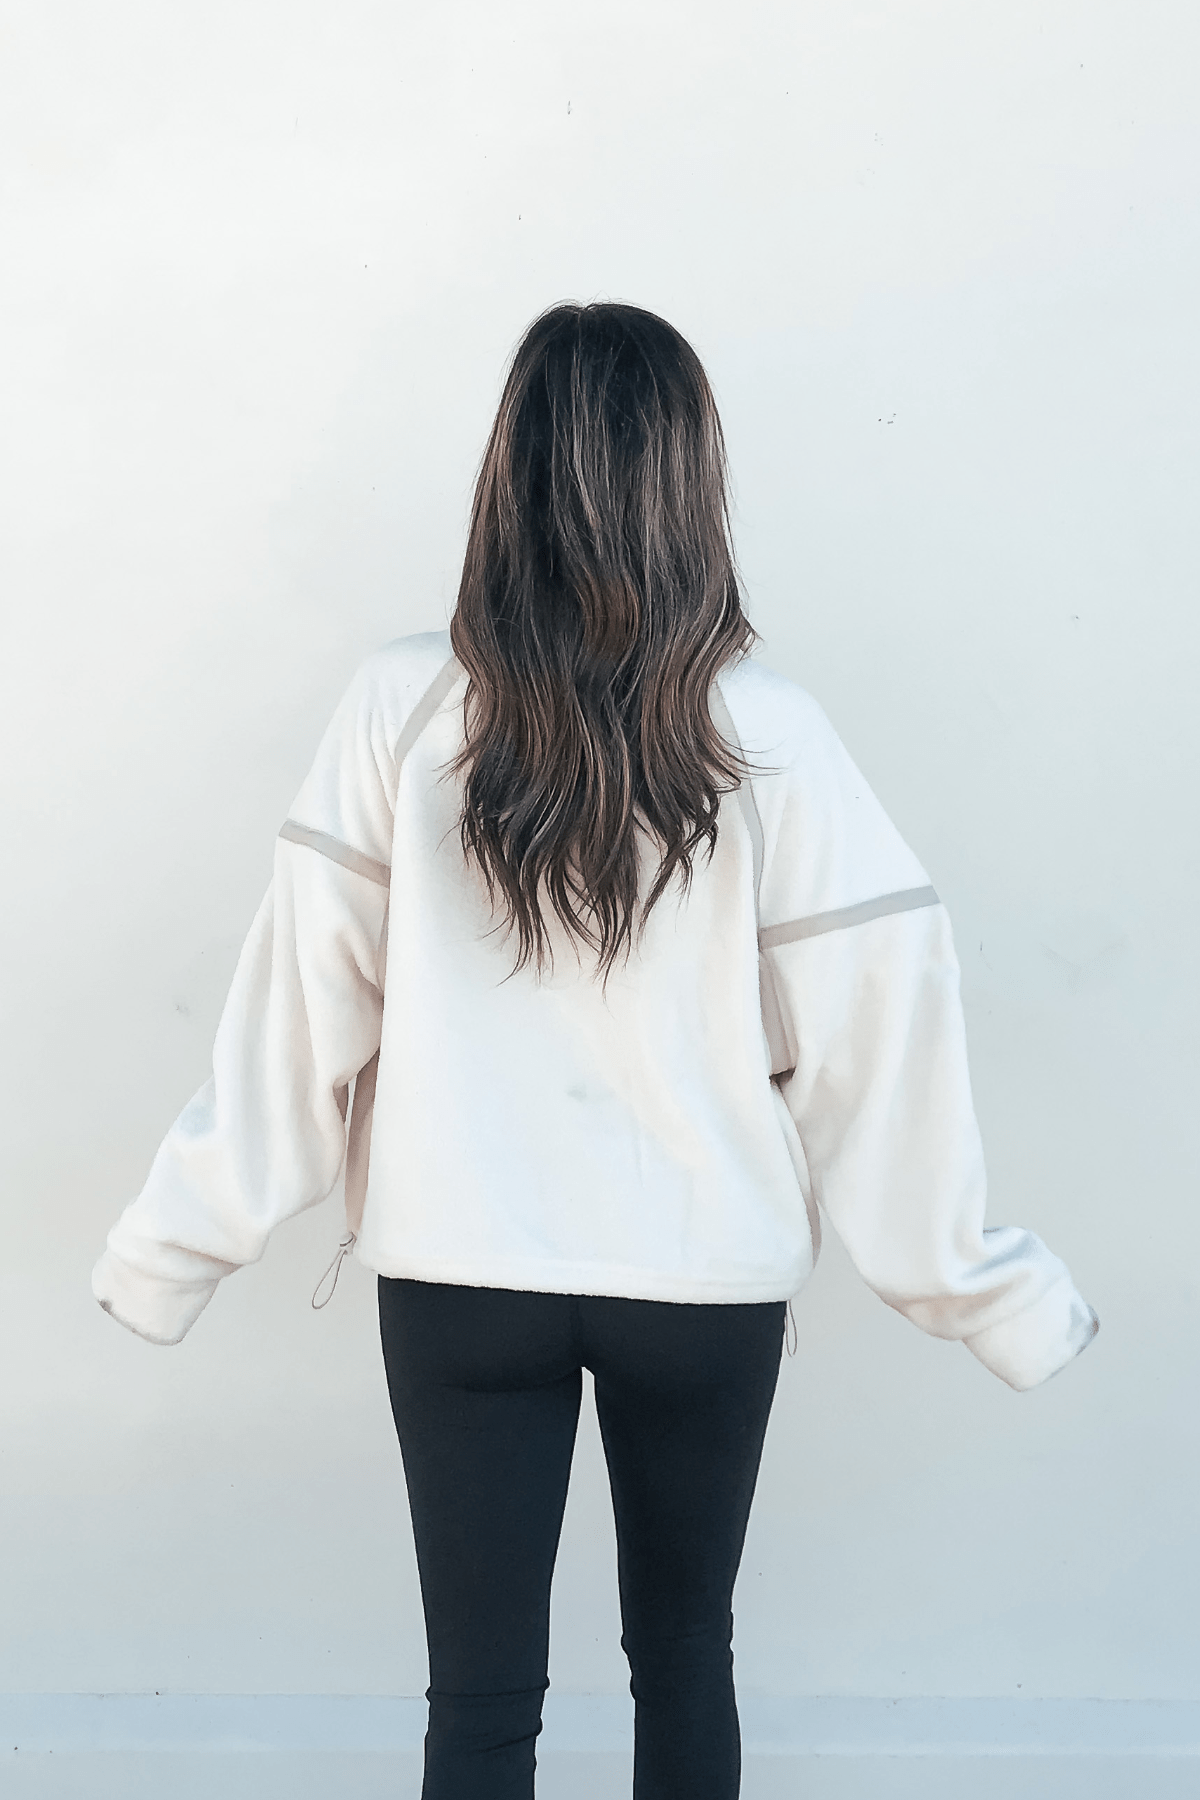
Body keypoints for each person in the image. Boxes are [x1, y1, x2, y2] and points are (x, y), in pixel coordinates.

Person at [92, 301, 1098, 1799]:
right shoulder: (773, 732)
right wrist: (979, 1285)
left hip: (461, 1281)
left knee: (480, 1701)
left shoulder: (399, 706)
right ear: (693, 481)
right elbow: (882, 1029)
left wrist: (172, 1250)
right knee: (686, 1659)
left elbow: (298, 1013)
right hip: (701, 1288)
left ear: (508, 473)